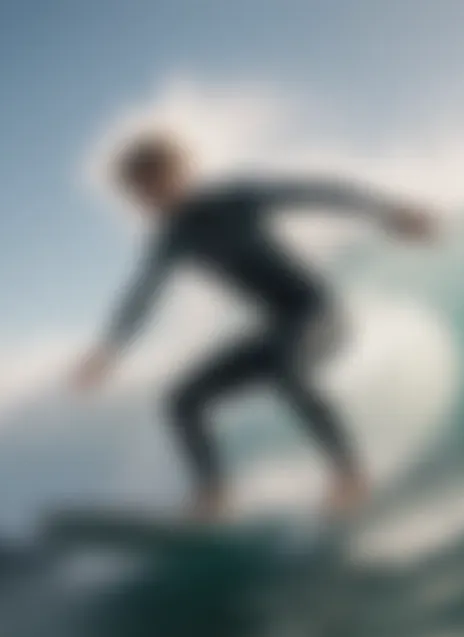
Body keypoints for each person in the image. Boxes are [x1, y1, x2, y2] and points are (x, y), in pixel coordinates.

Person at [72, 134, 436, 521]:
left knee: (283, 366)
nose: (145, 199)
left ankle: (351, 474)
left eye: (150, 185)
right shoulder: (172, 238)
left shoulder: (235, 201)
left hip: (320, 316)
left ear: (177, 174)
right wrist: (109, 349)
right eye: (136, 193)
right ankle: (214, 496)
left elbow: (319, 193)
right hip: (278, 328)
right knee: (181, 400)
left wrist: (391, 212)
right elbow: (142, 294)